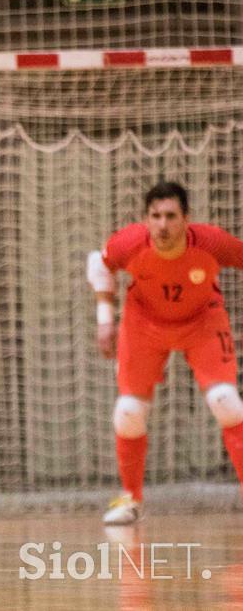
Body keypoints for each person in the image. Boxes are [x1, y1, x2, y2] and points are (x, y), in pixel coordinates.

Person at [87, 181, 243, 525]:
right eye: (155, 216)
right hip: (144, 323)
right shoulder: (129, 244)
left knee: (226, 402)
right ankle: (131, 499)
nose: (162, 225)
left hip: (202, 320)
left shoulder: (212, 242)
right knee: (128, 412)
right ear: (146, 219)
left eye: (171, 216)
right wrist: (104, 320)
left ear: (186, 218)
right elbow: (98, 265)